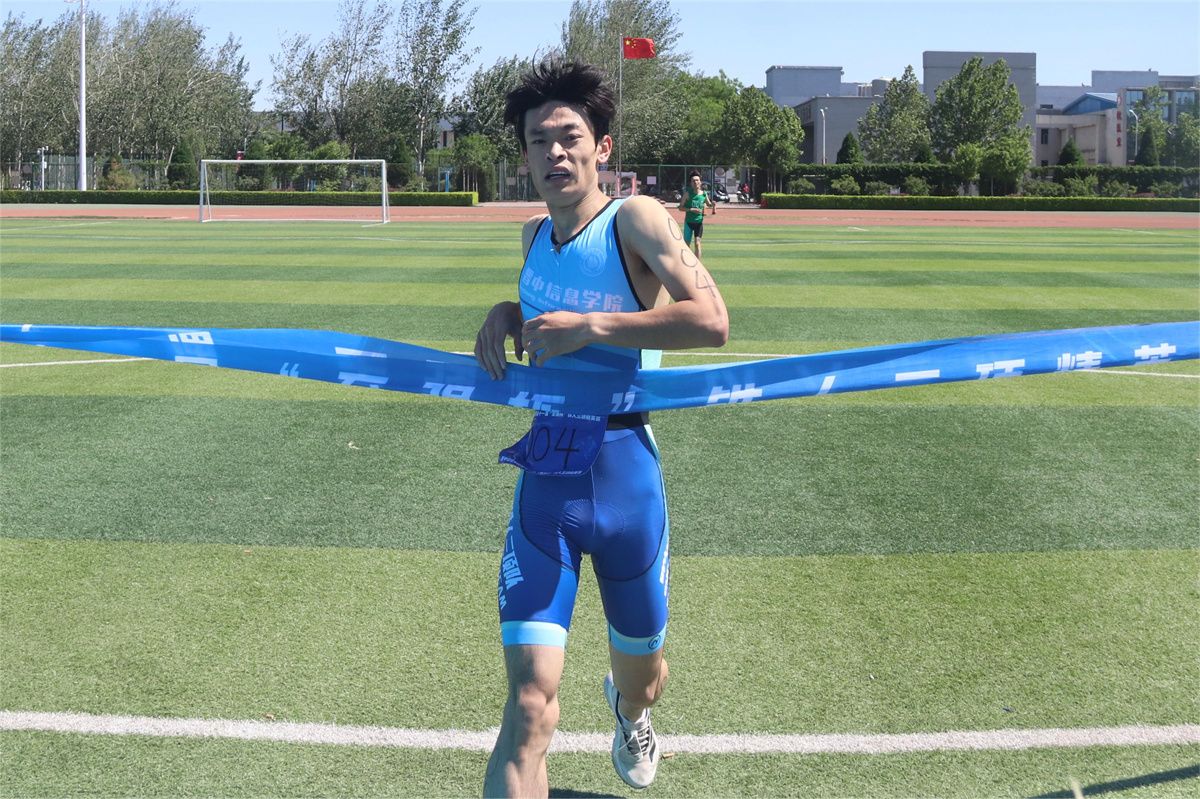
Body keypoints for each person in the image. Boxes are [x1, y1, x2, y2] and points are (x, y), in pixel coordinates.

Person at [475, 59, 728, 798]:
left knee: (643, 679)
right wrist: (507, 313)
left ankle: (630, 709)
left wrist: (592, 327)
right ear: (524, 155)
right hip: (547, 477)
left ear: (602, 147)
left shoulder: (635, 220)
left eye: (570, 137)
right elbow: (544, 312)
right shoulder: (531, 235)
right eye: (538, 140)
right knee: (528, 703)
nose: (554, 152)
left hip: (627, 478)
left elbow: (711, 320)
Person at [677, 170, 716, 258]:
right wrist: (691, 209)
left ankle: (698, 263)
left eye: (697, 180)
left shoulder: (704, 194)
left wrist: (712, 205)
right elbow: (680, 207)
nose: (695, 182)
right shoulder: (687, 194)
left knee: (697, 244)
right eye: (693, 181)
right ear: (691, 183)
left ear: (700, 182)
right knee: (686, 245)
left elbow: (709, 204)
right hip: (688, 223)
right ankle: (687, 262)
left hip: (699, 223)